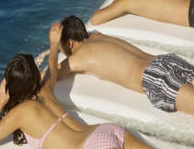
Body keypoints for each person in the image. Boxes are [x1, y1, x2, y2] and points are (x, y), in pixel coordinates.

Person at [0, 51, 150, 149]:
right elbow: (53, 67)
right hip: (106, 131)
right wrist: (53, 44)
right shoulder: (46, 89)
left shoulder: (20, 113)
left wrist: (0, 101)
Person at [50, 14, 194, 115]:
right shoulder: (96, 36)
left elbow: (50, 76)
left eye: (61, 47)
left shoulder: (79, 58)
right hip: (167, 61)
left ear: (69, 43)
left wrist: (53, 45)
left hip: (154, 77)